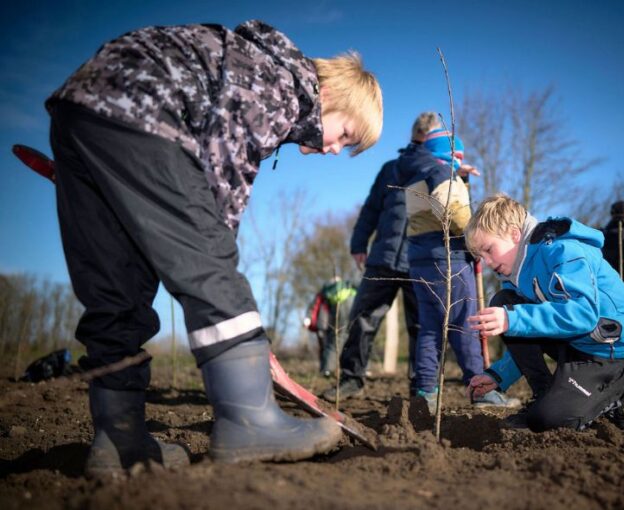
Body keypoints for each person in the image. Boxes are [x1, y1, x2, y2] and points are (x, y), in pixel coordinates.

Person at [45, 19, 382, 475]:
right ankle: (249, 419)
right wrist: (230, 309)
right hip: (143, 110)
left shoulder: (252, 65)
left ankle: (118, 438)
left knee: (117, 282)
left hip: (82, 108)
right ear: (330, 95)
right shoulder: (280, 84)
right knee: (211, 261)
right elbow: (219, 188)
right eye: (344, 135)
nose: (335, 151)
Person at [465, 193, 624, 432]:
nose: (487, 262)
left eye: (489, 249)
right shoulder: (514, 277)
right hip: (575, 345)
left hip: (612, 351)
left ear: (514, 234)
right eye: (481, 256)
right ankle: (543, 394)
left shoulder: (563, 251)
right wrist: (499, 376)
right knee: (504, 302)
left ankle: (622, 393)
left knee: (547, 420)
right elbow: (529, 330)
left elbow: (583, 315)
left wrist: (512, 318)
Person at [400, 120, 516, 413]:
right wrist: (476, 241)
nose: (459, 161)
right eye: (457, 156)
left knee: (430, 327)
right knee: (465, 323)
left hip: (420, 258)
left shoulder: (417, 172)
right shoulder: (441, 172)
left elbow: (432, 206)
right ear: (449, 153)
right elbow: (450, 212)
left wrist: (459, 179)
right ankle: (480, 389)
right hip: (448, 257)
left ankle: (426, 391)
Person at [322, 112, 437, 402]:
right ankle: (351, 379)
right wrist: (358, 243)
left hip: (420, 260)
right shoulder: (391, 170)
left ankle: (421, 387)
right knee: (362, 318)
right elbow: (371, 209)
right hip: (383, 258)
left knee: (421, 325)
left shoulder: (442, 169)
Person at [305, 277, 357, 377]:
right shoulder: (348, 288)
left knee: (330, 345)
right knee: (349, 342)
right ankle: (344, 369)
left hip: (327, 323)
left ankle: (326, 370)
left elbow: (313, 306)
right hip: (347, 315)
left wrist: (308, 318)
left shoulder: (326, 292)